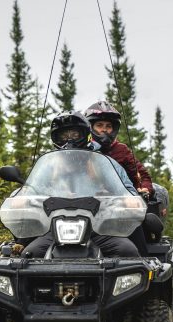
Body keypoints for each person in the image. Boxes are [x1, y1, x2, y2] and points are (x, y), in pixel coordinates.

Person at [21, 111, 139, 258]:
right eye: (64, 135)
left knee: (128, 252)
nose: (69, 139)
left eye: (75, 134)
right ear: (55, 138)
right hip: (55, 228)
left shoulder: (103, 162)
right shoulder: (48, 165)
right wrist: (23, 197)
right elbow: (32, 189)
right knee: (29, 255)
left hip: (98, 228)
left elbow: (127, 189)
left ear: (86, 134)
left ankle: (144, 279)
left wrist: (129, 198)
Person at [84, 100, 154, 200]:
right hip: (87, 201)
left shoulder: (121, 149)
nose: (104, 129)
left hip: (120, 202)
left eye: (108, 126)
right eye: (99, 125)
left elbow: (142, 175)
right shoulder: (84, 150)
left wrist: (145, 189)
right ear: (90, 127)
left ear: (114, 129)